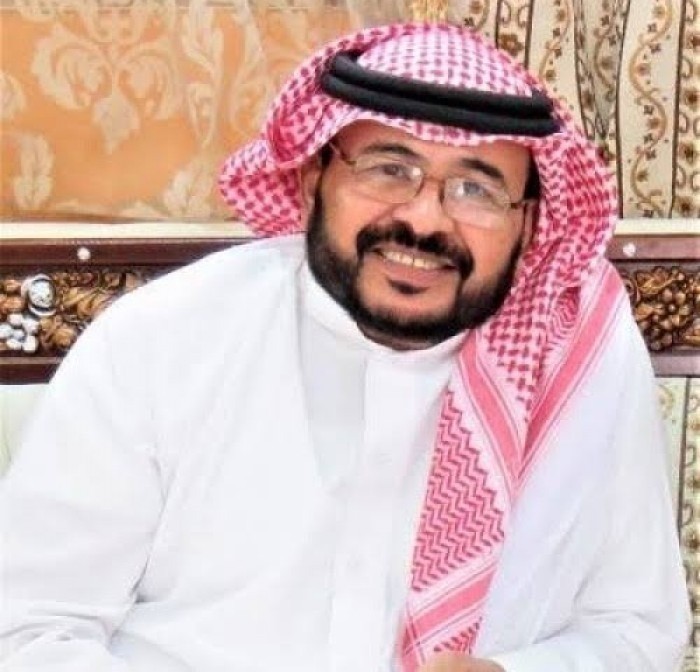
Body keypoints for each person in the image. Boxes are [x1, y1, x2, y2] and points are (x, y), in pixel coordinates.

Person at [0, 21, 690, 672]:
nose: (424, 219)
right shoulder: (164, 340)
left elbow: (635, 630)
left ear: (529, 224)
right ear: (311, 182)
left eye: (475, 189)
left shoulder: (582, 364)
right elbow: (27, 630)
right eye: (389, 169)